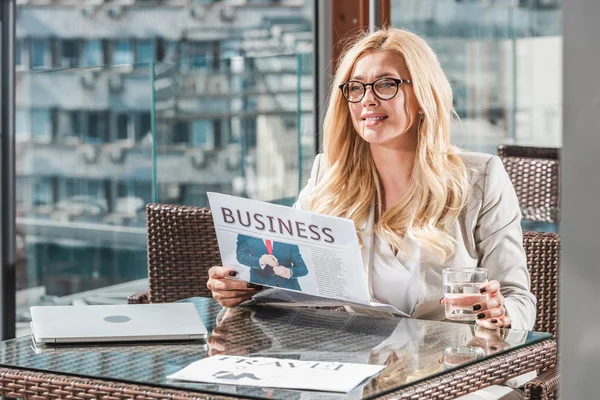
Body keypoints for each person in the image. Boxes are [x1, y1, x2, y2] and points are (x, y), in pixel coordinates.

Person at [207, 27, 535, 398]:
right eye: (356, 87)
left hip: (456, 374)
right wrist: (243, 284)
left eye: (386, 85)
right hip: (358, 372)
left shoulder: (481, 177)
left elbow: (519, 300)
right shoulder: (327, 176)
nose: (367, 99)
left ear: (424, 94)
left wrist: (498, 311)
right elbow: (288, 274)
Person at [235, 234, 308, 291]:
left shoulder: (287, 235)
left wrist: (288, 272)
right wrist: (260, 261)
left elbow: (302, 269)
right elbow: (241, 256)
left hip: (290, 289)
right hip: (260, 289)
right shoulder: (246, 234)